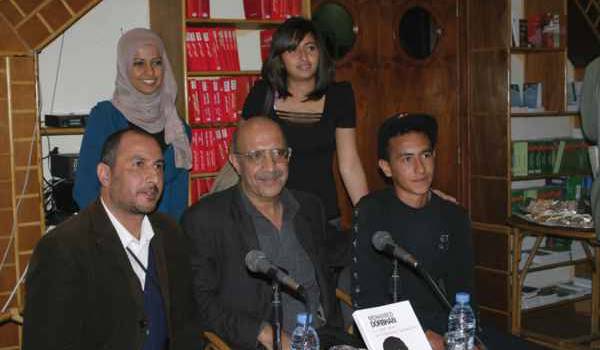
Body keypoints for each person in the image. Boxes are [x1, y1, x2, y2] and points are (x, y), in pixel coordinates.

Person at [351, 114, 541, 350]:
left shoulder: (454, 216)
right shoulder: (373, 211)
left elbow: (464, 290)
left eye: (426, 155)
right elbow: (369, 299)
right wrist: (424, 336)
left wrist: (470, 336)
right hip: (393, 330)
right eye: (407, 159)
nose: (420, 168)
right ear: (386, 168)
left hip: (447, 326)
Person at [181, 117, 355, 350]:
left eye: (278, 153)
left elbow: (338, 253)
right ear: (235, 162)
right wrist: (260, 331)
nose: (271, 167)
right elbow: (199, 302)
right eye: (256, 156)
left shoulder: (309, 207)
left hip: (324, 338)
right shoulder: (206, 219)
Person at [23, 128, 200, 350]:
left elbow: (187, 326)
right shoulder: (63, 248)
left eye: (158, 166)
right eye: (138, 164)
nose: (153, 177)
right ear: (105, 175)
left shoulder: (170, 232)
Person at [242, 17, 368, 223]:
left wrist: (368, 216)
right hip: (269, 215)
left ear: (320, 53)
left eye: (310, 48)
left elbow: (350, 164)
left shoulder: (340, 96)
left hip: (322, 215)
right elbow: (242, 155)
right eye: (293, 50)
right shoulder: (261, 95)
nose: (304, 57)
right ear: (280, 58)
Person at [74, 28, 191, 220]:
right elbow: (85, 188)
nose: (150, 72)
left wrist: (170, 238)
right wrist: (117, 235)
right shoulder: (106, 117)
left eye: (156, 63)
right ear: (124, 66)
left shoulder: (177, 128)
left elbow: (179, 198)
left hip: (161, 238)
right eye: (139, 63)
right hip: (113, 235)